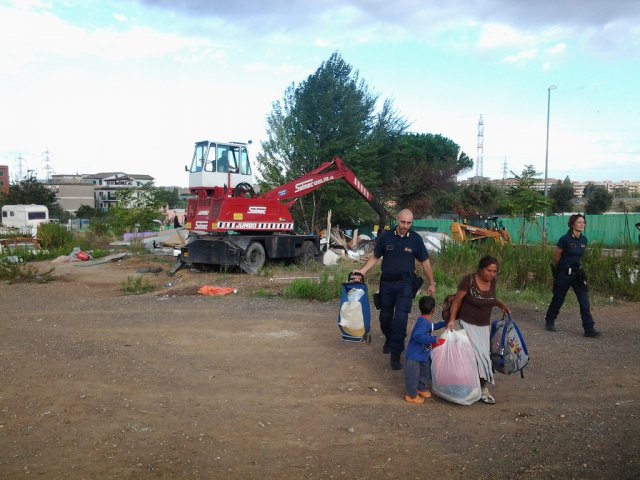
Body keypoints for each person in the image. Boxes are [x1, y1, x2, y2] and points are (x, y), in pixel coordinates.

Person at [355, 209, 436, 370]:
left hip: (405, 284)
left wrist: (432, 282)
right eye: (403, 222)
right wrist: (362, 271)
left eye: (409, 223)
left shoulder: (415, 239)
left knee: (400, 319)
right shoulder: (386, 236)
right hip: (386, 284)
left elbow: (425, 262)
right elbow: (375, 257)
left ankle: (395, 355)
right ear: (397, 220)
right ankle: (389, 338)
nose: (405, 226)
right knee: (385, 318)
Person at [446, 255, 510, 404]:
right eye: (489, 270)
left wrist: (501, 305)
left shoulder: (492, 282)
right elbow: (457, 301)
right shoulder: (468, 280)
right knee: (478, 355)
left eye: (495, 271)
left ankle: (479, 386)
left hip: (484, 325)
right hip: (467, 322)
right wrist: (451, 321)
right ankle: (479, 389)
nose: (492, 274)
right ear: (481, 269)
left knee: (485, 356)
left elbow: (491, 299)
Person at [544, 214, 600, 338]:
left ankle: (589, 329)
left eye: (583, 222)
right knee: (558, 298)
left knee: (584, 302)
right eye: (579, 222)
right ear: (572, 224)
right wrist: (560, 270)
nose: (582, 224)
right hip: (564, 274)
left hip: (577, 275)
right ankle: (550, 320)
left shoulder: (584, 240)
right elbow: (556, 256)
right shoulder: (565, 239)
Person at [404, 296, 446, 404]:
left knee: (425, 371)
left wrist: (444, 323)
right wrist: (434, 339)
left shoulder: (425, 321)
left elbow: (432, 327)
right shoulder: (422, 322)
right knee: (412, 375)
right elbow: (418, 336)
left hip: (423, 354)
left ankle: (420, 388)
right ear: (434, 310)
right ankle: (411, 395)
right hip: (413, 356)